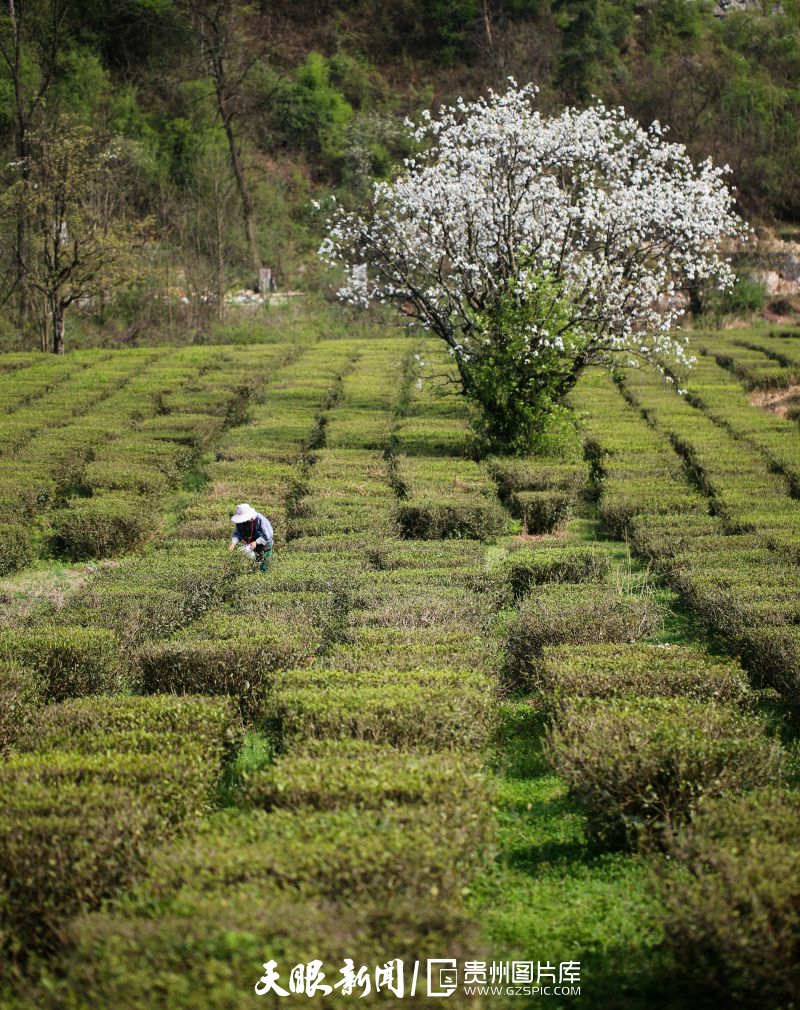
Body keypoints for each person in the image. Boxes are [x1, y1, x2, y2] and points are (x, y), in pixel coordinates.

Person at [229, 503, 274, 572]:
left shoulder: (260, 519)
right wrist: (233, 543)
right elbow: (238, 533)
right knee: (254, 565)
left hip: (264, 544)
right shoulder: (240, 522)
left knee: (264, 566)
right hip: (251, 545)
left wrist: (256, 542)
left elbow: (268, 534)